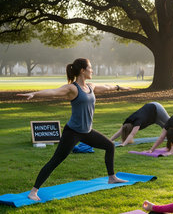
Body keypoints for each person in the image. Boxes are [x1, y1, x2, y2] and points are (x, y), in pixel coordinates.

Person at [17, 58, 129, 201]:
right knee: (56, 160)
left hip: (87, 131)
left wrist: (119, 87)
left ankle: (112, 177)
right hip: (73, 132)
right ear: (83, 70)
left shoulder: (91, 87)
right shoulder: (72, 89)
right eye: (90, 68)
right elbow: (53, 92)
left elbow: (107, 86)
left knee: (110, 146)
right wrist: (35, 94)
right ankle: (33, 191)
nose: (92, 70)